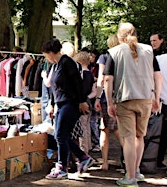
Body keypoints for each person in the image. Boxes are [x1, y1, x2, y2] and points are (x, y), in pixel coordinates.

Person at [104, 22, 162, 186]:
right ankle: (136, 171)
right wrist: (156, 97)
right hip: (145, 99)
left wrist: (109, 102)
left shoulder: (114, 52)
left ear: (119, 36)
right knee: (139, 136)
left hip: (125, 99)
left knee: (128, 138)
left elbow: (108, 79)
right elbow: (158, 75)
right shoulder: (149, 50)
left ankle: (129, 178)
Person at [42, 39, 94, 180]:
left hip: (70, 103)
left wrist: (82, 101)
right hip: (61, 103)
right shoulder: (57, 65)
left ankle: (63, 166)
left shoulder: (67, 62)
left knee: (60, 135)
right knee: (61, 135)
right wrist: (52, 104)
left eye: (46, 55)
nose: (45, 58)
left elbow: (78, 83)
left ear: (51, 52)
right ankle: (82, 157)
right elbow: (54, 87)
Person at [94, 34, 122, 171]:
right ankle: (131, 160)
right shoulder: (125, 57)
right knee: (121, 131)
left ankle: (104, 162)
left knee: (105, 130)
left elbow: (101, 79)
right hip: (123, 98)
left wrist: (98, 98)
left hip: (107, 98)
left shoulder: (104, 57)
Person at [73, 51, 96, 154]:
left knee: (82, 129)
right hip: (89, 104)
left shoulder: (79, 75)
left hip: (81, 104)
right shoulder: (91, 75)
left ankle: (83, 152)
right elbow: (94, 92)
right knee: (87, 127)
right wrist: (87, 98)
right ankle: (88, 148)